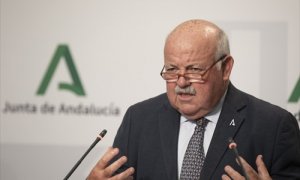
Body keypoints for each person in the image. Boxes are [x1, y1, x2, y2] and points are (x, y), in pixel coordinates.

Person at [87, 19, 300, 179]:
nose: (181, 82)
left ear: (225, 68)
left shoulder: (274, 126)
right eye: (172, 70)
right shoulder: (139, 119)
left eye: (194, 70)